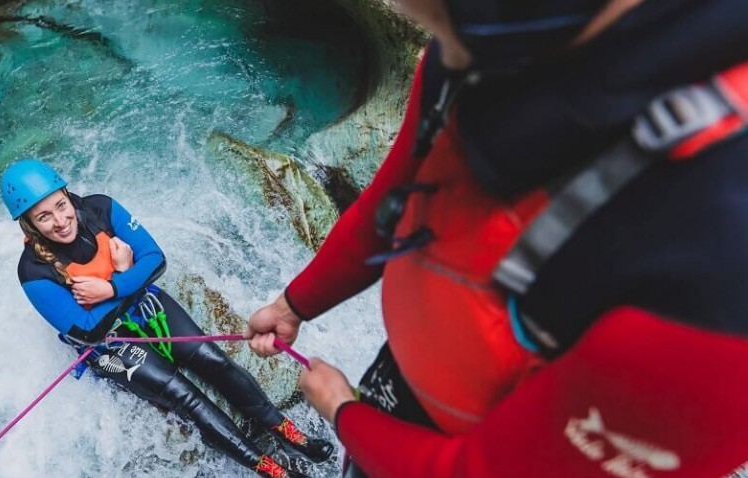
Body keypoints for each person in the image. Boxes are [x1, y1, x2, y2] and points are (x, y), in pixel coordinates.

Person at [246, 0, 748, 476]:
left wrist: (342, 413)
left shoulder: (718, 278)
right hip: (410, 389)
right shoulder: (488, 46)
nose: (432, 49)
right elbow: (397, 200)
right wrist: (295, 304)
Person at [0, 159, 333, 478]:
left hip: (145, 305)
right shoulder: (33, 271)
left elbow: (156, 259)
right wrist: (129, 274)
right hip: (109, 345)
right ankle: (269, 469)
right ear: (29, 225)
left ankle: (289, 434)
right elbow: (88, 331)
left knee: (212, 360)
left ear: (68, 196)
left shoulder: (101, 208)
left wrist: (113, 285)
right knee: (182, 394)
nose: (60, 221)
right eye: (44, 217)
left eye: (61, 206)